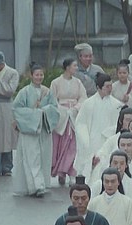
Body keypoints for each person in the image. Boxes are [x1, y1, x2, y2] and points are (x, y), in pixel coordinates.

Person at [12, 63, 60, 198]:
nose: (39, 77)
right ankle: (35, 186)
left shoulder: (47, 92)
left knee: (44, 157)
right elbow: (16, 109)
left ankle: (41, 183)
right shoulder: (24, 92)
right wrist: (35, 114)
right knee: (32, 158)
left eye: (41, 75)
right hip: (30, 130)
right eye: (37, 75)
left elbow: (54, 108)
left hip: (43, 128)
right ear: (31, 75)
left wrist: (44, 111)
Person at [74, 72, 125, 180]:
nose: (110, 89)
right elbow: (81, 123)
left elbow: (118, 125)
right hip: (92, 140)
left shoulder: (116, 105)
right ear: (98, 87)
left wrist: (109, 133)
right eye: (107, 86)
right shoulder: (88, 103)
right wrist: (85, 140)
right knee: (89, 169)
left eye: (111, 86)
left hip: (108, 139)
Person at [50, 58, 88, 186]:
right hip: (61, 117)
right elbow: (52, 99)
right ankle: (61, 172)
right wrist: (61, 110)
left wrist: (76, 108)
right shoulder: (56, 83)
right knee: (60, 145)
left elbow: (83, 97)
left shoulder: (78, 82)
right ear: (67, 67)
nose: (76, 68)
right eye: (74, 66)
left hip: (74, 116)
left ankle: (72, 172)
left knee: (73, 146)